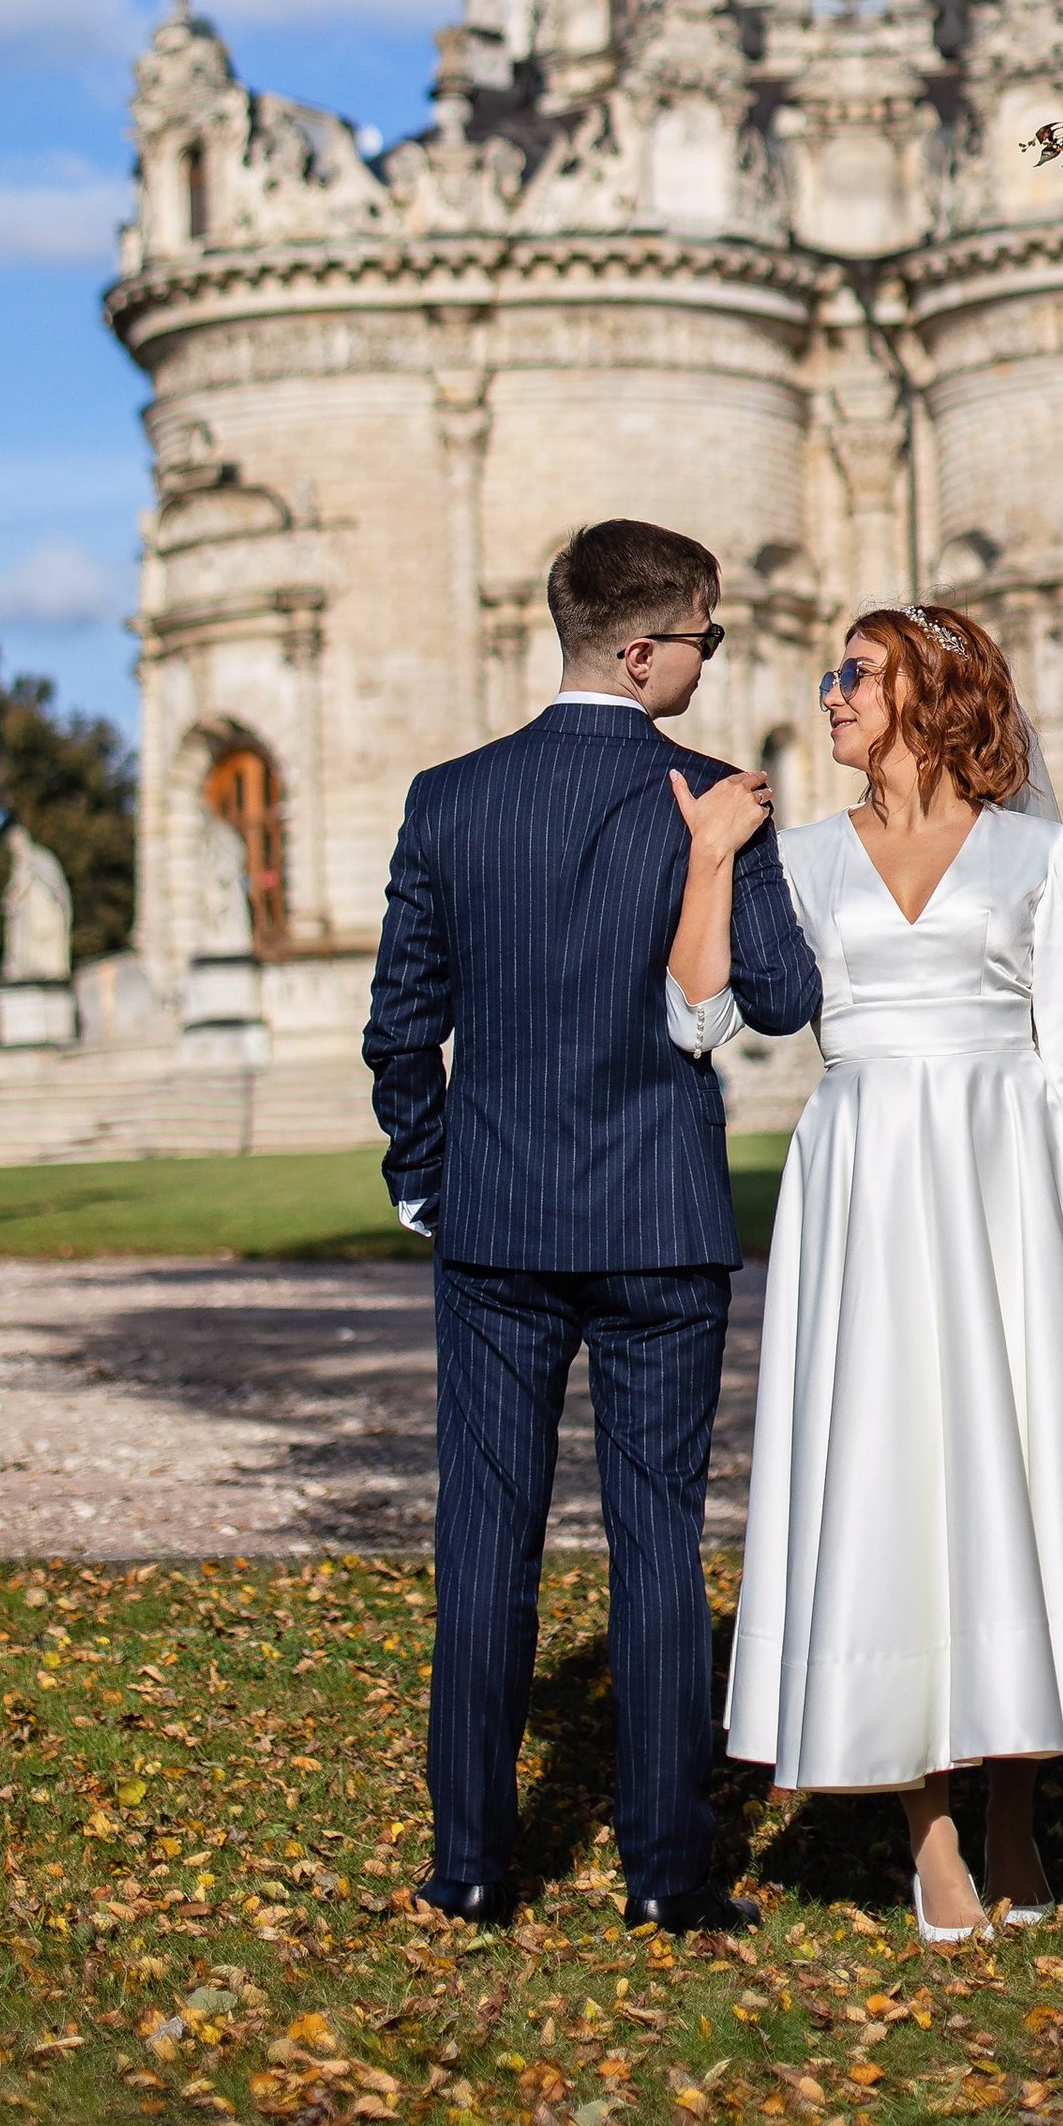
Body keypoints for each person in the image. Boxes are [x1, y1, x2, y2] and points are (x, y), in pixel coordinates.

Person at [711, 602, 1063, 1940]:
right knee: (887, 1491)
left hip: (1009, 1191)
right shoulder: (799, 860)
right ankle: (926, 1836)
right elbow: (702, 1011)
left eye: (856, 675)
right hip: (864, 1190)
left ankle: (1010, 1812)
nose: (830, 696)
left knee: (1016, 1484)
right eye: (833, 675)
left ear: (934, 697)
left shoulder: (1034, 856)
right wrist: (710, 867)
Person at [364, 515, 822, 1933]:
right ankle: (672, 1875)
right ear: (640, 650)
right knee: (656, 1543)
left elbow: (399, 1030)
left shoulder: (450, 800)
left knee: (485, 1540)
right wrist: (733, 856)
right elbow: (787, 1001)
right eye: (706, 637)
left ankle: (477, 1865)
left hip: (495, 1225)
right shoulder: (714, 796)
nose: (712, 658)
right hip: (660, 1225)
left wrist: (429, 1181)